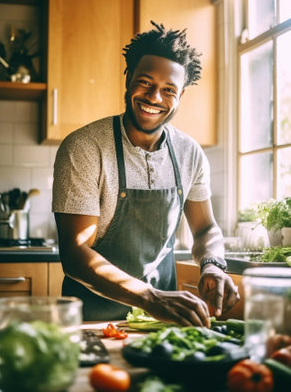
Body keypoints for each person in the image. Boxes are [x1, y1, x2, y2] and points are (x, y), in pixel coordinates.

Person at [52, 21, 240, 326]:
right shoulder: (84, 147)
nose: (154, 97)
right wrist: (149, 297)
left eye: (169, 90)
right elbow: (75, 253)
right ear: (128, 79)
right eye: (145, 82)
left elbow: (205, 229)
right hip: (91, 323)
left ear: (180, 96)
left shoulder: (190, 153)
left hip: (162, 322)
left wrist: (213, 264)